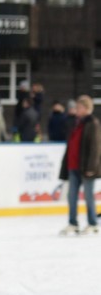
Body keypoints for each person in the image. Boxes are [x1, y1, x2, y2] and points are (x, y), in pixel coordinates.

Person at [58, 94, 100, 235]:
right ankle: (73, 223)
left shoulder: (92, 123)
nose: (76, 109)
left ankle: (93, 223)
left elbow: (95, 147)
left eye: (79, 107)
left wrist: (91, 168)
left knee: (89, 196)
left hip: (86, 168)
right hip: (73, 166)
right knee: (72, 196)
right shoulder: (77, 123)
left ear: (86, 108)